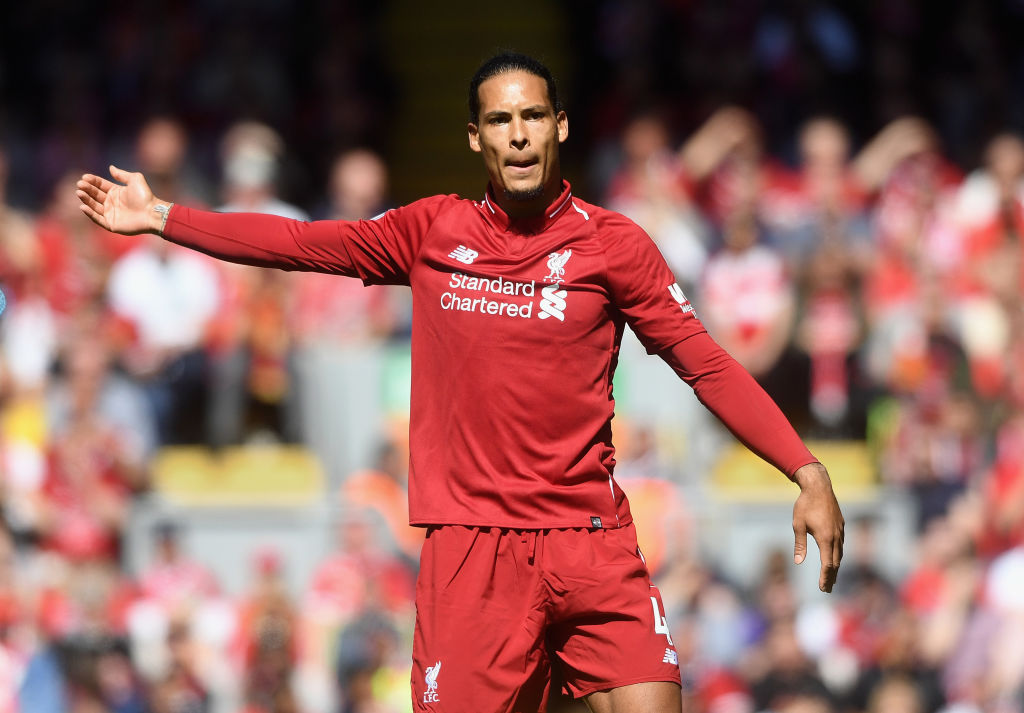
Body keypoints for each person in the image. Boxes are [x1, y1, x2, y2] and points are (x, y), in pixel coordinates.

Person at [77, 51, 845, 713]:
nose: (519, 134)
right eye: (501, 121)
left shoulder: (614, 246)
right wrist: (163, 217)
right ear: (475, 137)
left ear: (561, 127)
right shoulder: (433, 233)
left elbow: (704, 360)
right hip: (472, 555)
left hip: (591, 543)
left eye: (534, 117)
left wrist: (803, 468)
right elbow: (302, 243)